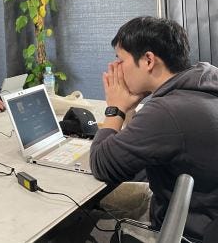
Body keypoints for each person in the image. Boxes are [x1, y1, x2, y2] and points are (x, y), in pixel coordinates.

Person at [90, 16, 218, 240]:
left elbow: (102, 164)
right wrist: (130, 109)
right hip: (204, 215)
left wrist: (115, 109)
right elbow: (145, 148)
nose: (116, 68)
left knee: (84, 217)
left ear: (148, 60)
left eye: (120, 59)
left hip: (183, 231)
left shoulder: (168, 111)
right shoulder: (202, 86)